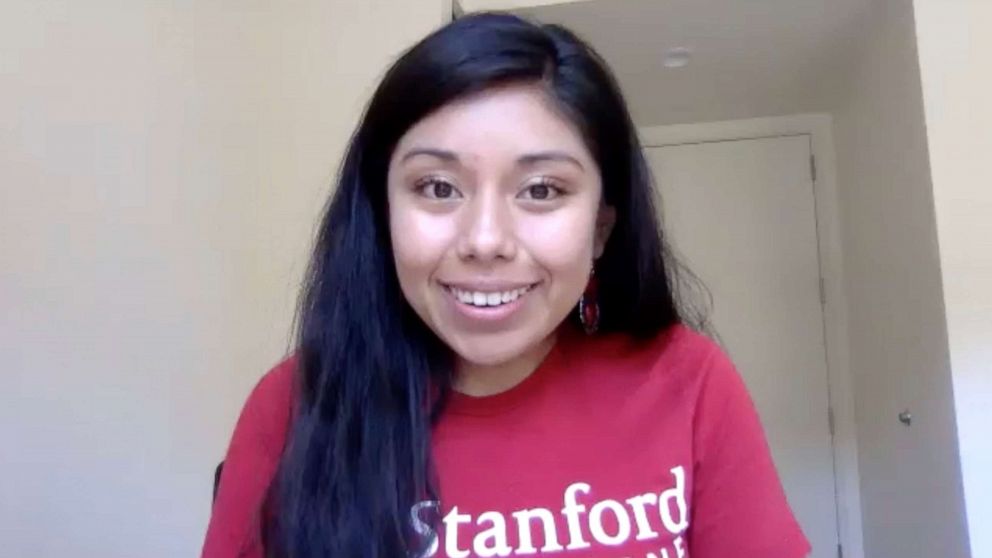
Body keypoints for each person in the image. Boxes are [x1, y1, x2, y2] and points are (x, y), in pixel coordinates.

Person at [202, 12, 810, 558]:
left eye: (542, 190)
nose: (485, 239)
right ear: (380, 214)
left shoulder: (687, 382)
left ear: (600, 228)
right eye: (438, 188)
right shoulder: (291, 407)